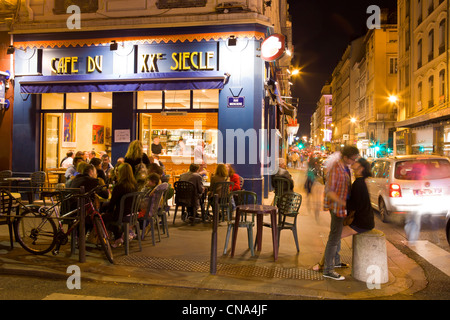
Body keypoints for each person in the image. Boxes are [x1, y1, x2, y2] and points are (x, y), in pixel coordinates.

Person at [313, 157, 374, 273]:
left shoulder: (358, 183)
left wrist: (338, 200)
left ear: (361, 168)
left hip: (362, 223)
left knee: (334, 237)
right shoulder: (360, 182)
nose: (353, 163)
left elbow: (355, 205)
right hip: (364, 220)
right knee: (335, 236)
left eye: (356, 163)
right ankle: (334, 262)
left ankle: (324, 265)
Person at [321, 145, 359, 280]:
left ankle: (336, 261)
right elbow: (329, 191)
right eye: (352, 159)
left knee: (337, 236)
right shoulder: (336, 169)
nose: (354, 162)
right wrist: (343, 203)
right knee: (334, 238)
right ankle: (328, 269)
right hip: (337, 208)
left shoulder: (345, 168)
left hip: (341, 208)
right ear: (345, 157)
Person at [102, 163, 138, 247]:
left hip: (122, 215)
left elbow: (112, 203)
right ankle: (120, 236)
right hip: (133, 214)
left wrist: (106, 211)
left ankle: (116, 238)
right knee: (108, 216)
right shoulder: (135, 185)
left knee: (102, 217)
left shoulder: (119, 186)